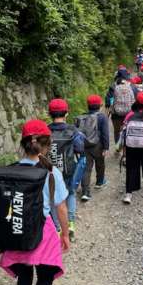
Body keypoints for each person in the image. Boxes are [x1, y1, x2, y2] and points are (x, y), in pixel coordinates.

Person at [0, 120, 70, 285]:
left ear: (23, 144)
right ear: (47, 145)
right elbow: (61, 207)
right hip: (42, 232)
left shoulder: (10, 171)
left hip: (16, 231)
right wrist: (65, 234)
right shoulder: (50, 172)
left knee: (25, 277)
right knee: (46, 276)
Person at [48, 99, 85, 240]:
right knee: (70, 193)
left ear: (50, 114)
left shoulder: (45, 130)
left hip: (50, 172)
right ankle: (70, 225)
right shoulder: (72, 130)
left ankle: (57, 228)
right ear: (66, 113)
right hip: (68, 170)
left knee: (52, 198)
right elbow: (80, 148)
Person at [76, 95, 110, 202]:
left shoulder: (82, 117)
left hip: (85, 146)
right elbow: (105, 134)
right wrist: (106, 147)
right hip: (98, 145)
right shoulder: (102, 117)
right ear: (100, 105)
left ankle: (85, 192)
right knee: (100, 164)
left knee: (86, 168)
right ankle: (100, 182)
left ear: (88, 105)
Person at [110, 73, 136, 145]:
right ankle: (125, 146)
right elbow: (133, 101)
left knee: (116, 131)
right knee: (127, 131)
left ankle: (117, 145)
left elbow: (112, 101)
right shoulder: (130, 88)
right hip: (128, 114)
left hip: (116, 114)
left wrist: (111, 111)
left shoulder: (115, 88)